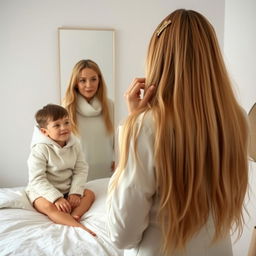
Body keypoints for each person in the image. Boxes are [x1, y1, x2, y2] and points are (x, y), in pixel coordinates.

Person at [106, 9, 249, 256]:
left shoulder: (146, 126)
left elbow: (122, 234)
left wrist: (131, 125)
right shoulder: (238, 119)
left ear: (159, 58)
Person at [26, 104, 96, 236]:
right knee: (48, 207)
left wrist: (75, 192)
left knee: (90, 194)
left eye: (66, 122)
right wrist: (56, 198)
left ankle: (75, 215)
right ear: (44, 131)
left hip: (66, 188)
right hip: (43, 191)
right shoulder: (40, 149)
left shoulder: (75, 145)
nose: (64, 128)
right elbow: (37, 179)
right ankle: (78, 226)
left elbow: (81, 169)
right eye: (57, 125)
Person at [62, 59, 115, 181]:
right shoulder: (67, 107)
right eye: (82, 80)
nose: (89, 85)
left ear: (99, 80)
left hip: (106, 168)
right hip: (77, 172)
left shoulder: (110, 105)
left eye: (93, 79)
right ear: (75, 82)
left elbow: (118, 137)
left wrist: (117, 158)